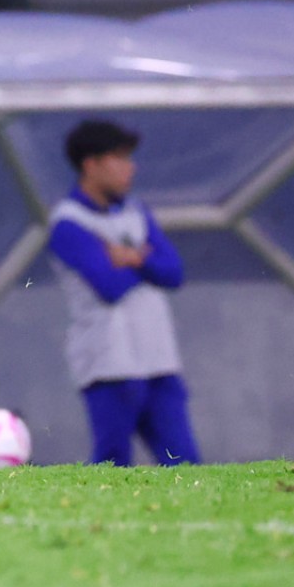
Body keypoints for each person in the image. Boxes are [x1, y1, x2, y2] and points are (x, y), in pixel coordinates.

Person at [49, 119, 200, 467]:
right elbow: (108, 285)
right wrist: (144, 259)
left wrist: (130, 258)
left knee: (186, 463)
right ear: (91, 165)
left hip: (158, 360)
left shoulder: (136, 211)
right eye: (119, 158)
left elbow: (173, 272)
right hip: (109, 365)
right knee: (113, 463)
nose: (130, 168)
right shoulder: (68, 222)